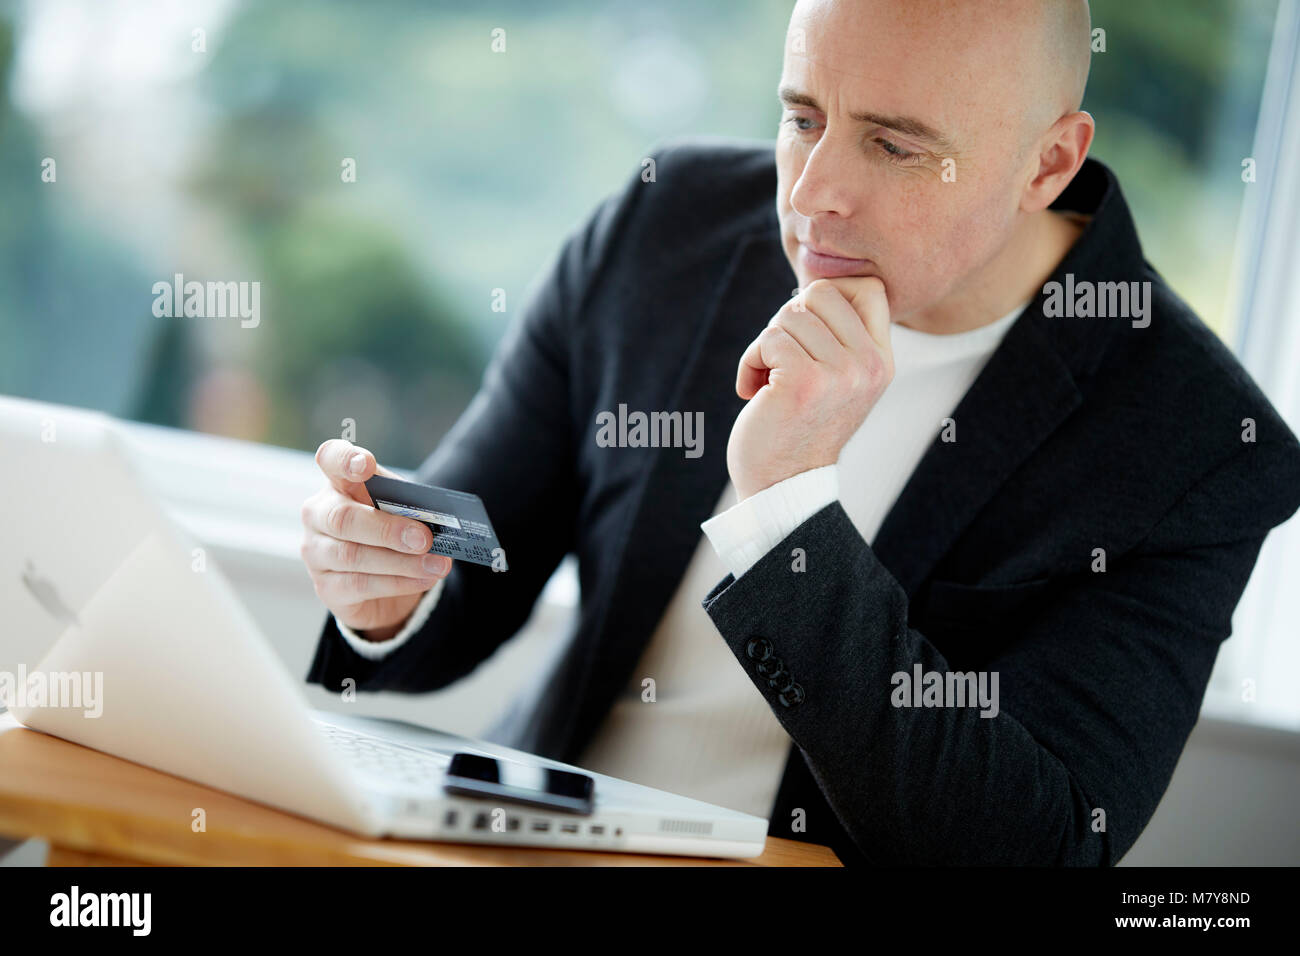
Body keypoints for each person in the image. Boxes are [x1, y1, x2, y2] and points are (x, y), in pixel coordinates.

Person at [298, 0, 1300, 864]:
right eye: (801, 116)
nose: (812, 189)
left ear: (1047, 162)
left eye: (895, 145)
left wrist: (785, 508)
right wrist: (379, 592)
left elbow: (1035, 844)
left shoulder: (1198, 443)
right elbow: (471, 572)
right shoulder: (665, 226)